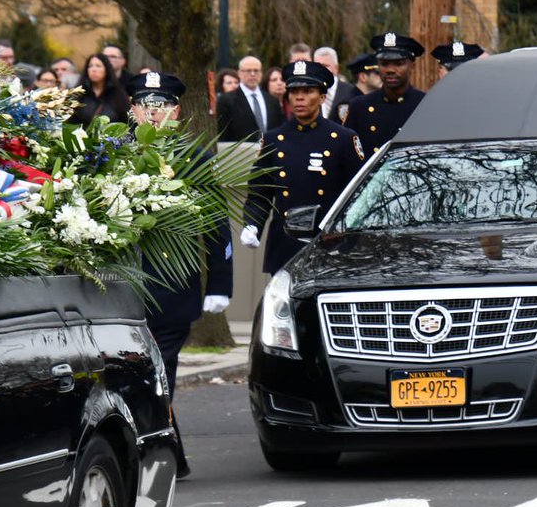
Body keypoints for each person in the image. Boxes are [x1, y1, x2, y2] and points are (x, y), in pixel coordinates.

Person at [123, 70, 232, 479]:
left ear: (177, 110)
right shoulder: (114, 156)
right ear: (131, 110)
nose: (153, 114)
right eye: (145, 106)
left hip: (172, 287)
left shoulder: (194, 159)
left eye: (162, 106)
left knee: (159, 372)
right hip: (126, 288)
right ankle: (166, 454)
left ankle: (161, 456)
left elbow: (217, 227)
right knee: (140, 375)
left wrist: (220, 285)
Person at [239, 60, 366, 274]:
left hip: (328, 242)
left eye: (308, 91)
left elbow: (359, 194)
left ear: (322, 97)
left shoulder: (342, 138)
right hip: (285, 241)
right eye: (294, 91)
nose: (300, 97)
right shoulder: (273, 139)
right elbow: (259, 192)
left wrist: (349, 237)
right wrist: (253, 225)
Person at [341, 33, 427, 156]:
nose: (390, 70)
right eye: (384, 63)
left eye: (398, 63)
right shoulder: (360, 106)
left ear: (412, 66)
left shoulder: (425, 105)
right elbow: (347, 154)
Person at [216, 55, 283, 142]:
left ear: (261, 73)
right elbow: (223, 133)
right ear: (239, 73)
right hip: (241, 152)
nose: (252, 74)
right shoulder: (226, 100)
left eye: (256, 71)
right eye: (248, 71)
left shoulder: (272, 100)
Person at [69, 52, 131, 125]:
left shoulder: (118, 96)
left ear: (106, 69)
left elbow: (126, 123)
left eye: (98, 66)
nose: (93, 69)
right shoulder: (78, 96)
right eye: (90, 66)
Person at [314, 46, 357, 121]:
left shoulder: (351, 91)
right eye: (318, 66)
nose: (321, 70)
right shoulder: (310, 92)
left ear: (336, 68)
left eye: (326, 66)